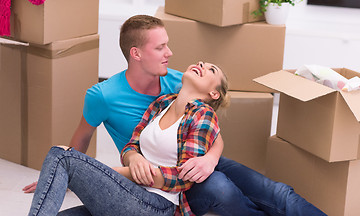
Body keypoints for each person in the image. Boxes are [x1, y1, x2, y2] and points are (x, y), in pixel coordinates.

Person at [24, 15, 326, 216]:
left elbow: (212, 133)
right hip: (143, 177)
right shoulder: (145, 98)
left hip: (182, 172)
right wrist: (64, 175)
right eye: (161, 47)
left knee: (272, 192)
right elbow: (113, 141)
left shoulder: (180, 84)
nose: (170, 53)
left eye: (167, 45)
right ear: (136, 54)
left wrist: (208, 159)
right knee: (62, 165)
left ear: (213, 92)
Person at [28, 61, 229, 216]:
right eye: (201, 63)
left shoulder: (204, 115)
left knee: (62, 156)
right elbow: (131, 145)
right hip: (126, 194)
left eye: (211, 70)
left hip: (155, 206)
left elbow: (182, 178)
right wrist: (134, 159)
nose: (202, 65)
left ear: (214, 93)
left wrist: (115, 172)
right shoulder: (161, 104)